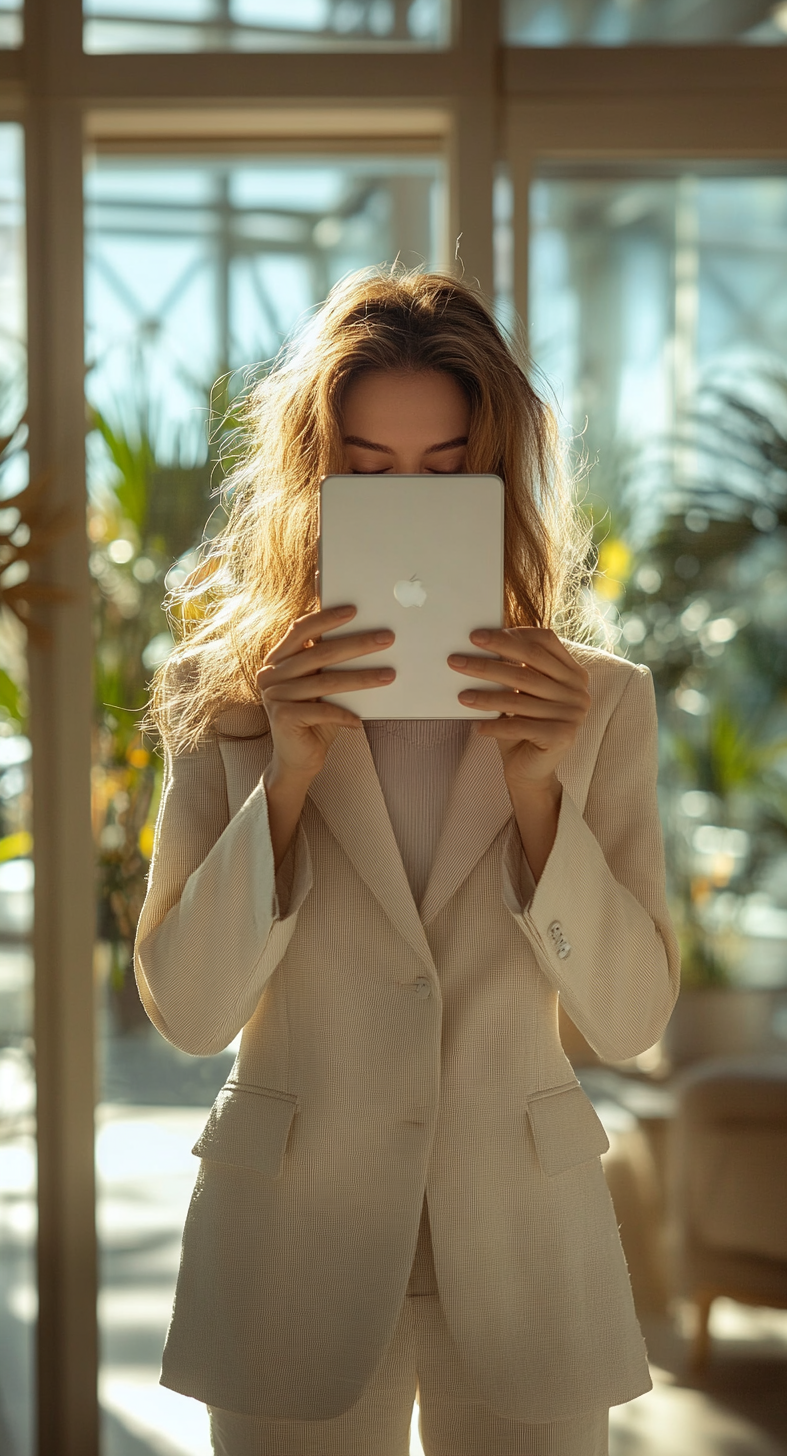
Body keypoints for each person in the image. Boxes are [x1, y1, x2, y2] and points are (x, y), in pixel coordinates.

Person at [134, 267, 680, 1456]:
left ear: (500, 478)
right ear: (313, 483)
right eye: (368, 472)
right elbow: (187, 1009)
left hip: (525, 1250)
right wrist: (283, 774)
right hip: (293, 1248)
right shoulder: (222, 702)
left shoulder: (601, 706)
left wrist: (543, 800)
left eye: (448, 470)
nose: (408, 501)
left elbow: (632, 1017)